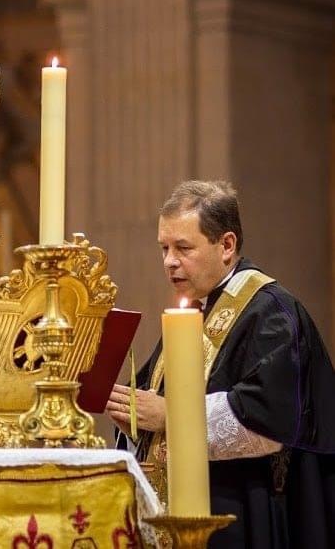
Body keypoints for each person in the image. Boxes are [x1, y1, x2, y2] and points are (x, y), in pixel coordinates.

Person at [106, 180, 335, 548]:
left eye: (183, 247)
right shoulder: (193, 313)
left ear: (226, 245)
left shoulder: (270, 312)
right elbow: (154, 404)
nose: (169, 261)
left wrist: (170, 415)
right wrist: (133, 420)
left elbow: (269, 419)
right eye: (164, 248)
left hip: (244, 507)